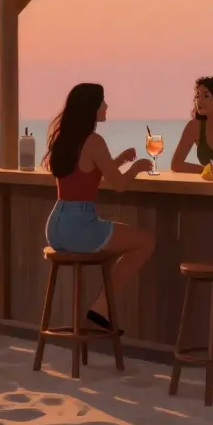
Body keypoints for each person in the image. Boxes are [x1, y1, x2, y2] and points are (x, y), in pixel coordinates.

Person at [42, 82, 155, 334]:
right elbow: (119, 185)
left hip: (56, 227)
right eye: (102, 101)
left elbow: (87, 174)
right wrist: (138, 167)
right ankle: (100, 310)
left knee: (124, 234)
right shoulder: (94, 140)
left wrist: (120, 160)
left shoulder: (64, 138)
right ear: (91, 107)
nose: (106, 106)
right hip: (80, 227)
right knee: (145, 242)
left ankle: (100, 311)